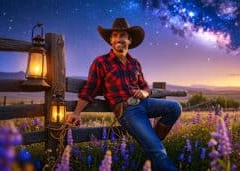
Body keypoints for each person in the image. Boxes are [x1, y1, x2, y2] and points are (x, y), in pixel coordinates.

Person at [67, 18, 182, 171]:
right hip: (128, 110)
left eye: (122, 35)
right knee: (159, 151)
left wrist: (144, 93)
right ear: (110, 40)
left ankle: (151, 140)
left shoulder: (135, 63)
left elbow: (145, 88)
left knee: (175, 107)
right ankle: (152, 144)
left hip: (144, 103)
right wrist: (76, 113)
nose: (118, 39)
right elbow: (90, 89)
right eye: (114, 35)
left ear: (129, 39)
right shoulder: (101, 62)